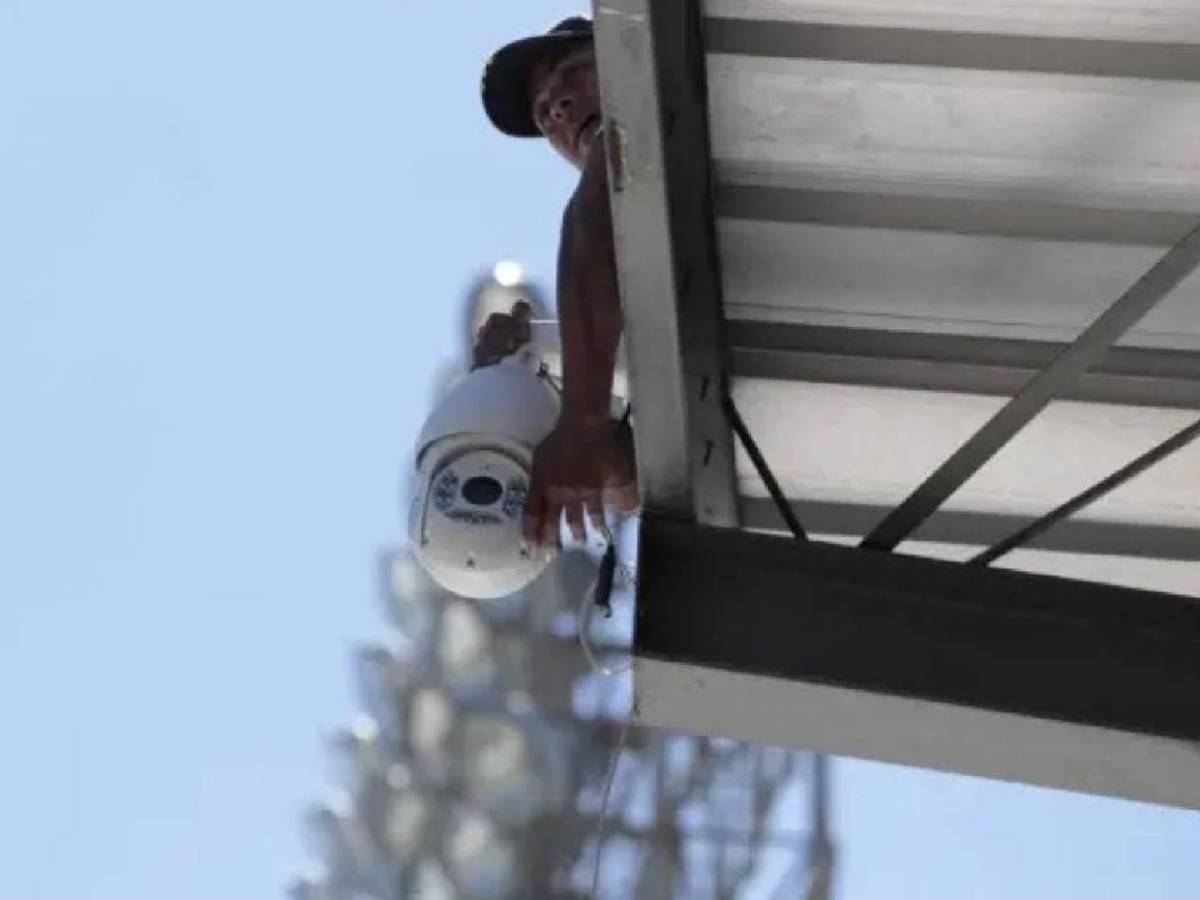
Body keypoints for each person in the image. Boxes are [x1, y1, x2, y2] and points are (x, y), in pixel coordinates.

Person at [476, 16, 637, 549]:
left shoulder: (641, 144)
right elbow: (651, 481)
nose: (559, 107)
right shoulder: (636, 286)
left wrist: (583, 423)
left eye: (573, 72)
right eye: (545, 114)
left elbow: (594, 214)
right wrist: (517, 383)